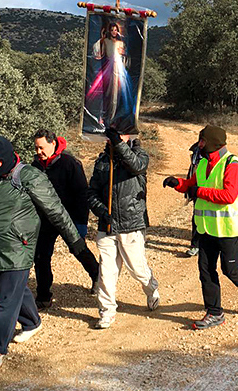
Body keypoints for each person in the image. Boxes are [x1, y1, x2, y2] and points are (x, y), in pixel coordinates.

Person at [0, 136, 88, 374]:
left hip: (19, 248)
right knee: (10, 291)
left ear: (9, 157)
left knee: (5, 302)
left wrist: (75, 240)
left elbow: (56, 211)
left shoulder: (28, 176)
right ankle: (32, 322)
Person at [163, 126, 238, 330]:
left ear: (213, 142)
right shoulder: (203, 162)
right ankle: (215, 313)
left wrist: (200, 191)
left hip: (229, 229)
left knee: (230, 269)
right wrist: (177, 183)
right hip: (206, 229)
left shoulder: (232, 164)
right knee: (205, 270)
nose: (199, 144)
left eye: (202, 141)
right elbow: (191, 185)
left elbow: (229, 196)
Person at [86, 128, 159, 330]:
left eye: (122, 135)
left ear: (131, 136)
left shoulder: (139, 155)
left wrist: (119, 144)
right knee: (106, 272)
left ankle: (151, 287)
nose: (116, 138)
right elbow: (91, 192)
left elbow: (136, 166)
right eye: (114, 136)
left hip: (131, 223)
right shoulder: (102, 161)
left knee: (137, 269)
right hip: (107, 225)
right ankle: (107, 311)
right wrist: (101, 210)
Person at [31, 130, 100, 309]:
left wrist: (81, 223)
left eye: (42, 147)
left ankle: (97, 277)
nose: (39, 152)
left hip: (69, 217)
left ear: (53, 143)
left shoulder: (70, 164)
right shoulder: (35, 166)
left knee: (79, 249)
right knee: (41, 256)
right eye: (36, 148)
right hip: (45, 220)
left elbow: (81, 194)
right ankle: (43, 295)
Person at [184, 141, 202, 257]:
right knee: (197, 217)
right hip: (197, 191)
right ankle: (195, 245)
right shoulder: (197, 152)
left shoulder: (218, 156)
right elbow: (192, 172)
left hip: (212, 194)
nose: (201, 143)